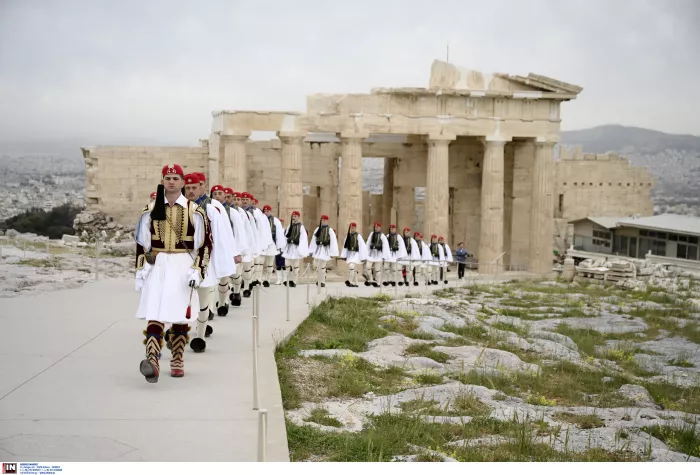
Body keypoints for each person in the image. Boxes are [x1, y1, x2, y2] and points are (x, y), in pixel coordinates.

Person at [135, 164, 212, 382]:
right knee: (155, 311)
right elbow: (142, 242)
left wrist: (198, 269)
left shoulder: (193, 211)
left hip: (181, 264)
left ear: (182, 182)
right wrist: (141, 269)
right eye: (167, 177)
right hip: (158, 264)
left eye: (175, 178)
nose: (171, 181)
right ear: (162, 181)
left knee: (180, 313)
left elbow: (205, 244)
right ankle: (152, 359)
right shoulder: (150, 209)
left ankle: (177, 356)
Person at [210, 184, 243, 316]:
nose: (217, 196)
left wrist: (237, 251)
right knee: (210, 280)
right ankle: (209, 309)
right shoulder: (208, 208)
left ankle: (223, 303)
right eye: (215, 194)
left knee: (224, 279)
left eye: (220, 193)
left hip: (226, 249)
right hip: (211, 248)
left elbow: (238, 232)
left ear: (224, 195)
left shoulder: (232, 213)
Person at [229, 191, 256, 302]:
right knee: (233, 271)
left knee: (243, 269)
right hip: (231, 245)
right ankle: (234, 291)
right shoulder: (228, 212)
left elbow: (250, 231)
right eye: (234, 199)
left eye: (238, 199)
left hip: (242, 245)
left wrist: (249, 246)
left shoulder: (245, 214)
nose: (237, 201)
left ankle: (244, 289)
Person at [308, 214, 339, 287]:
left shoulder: (330, 230)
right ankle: (319, 279)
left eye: (324, 220)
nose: (323, 221)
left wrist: (332, 252)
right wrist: (311, 250)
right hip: (318, 249)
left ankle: (322, 281)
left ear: (327, 221)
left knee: (322, 266)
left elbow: (333, 242)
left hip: (325, 249)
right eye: (322, 220)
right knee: (316, 265)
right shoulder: (317, 229)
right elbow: (313, 240)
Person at [281, 210, 308, 287]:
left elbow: (303, 238)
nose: (294, 218)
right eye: (293, 216)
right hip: (289, 248)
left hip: (296, 248)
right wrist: (287, 240)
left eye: (295, 216)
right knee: (287, 264)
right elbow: (286, 235)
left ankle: (294, 281)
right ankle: (285, 280)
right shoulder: (290, 225)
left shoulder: (301, 227)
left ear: (298, 217)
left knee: (295, 265)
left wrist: (298, 242)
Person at [261, 205, 286, 287]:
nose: (266, 212)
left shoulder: (275, 220)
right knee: (260, 263)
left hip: (272, 244)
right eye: (265, 211)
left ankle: (267, 279)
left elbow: (279, 233)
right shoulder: (261, 219)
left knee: (270, 263)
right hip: (262, 244)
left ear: (270, 211)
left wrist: (279, 245)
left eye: (267, 211)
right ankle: (259, 279)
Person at [339, 222, 367, 287]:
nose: (352, 229)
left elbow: (362, 246)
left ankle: (350, 281)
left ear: (355, 228)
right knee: (354, 268)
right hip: (350, 253)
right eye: (351, 228)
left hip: (356, 253)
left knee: (351, 266)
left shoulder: (358, 235)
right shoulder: (348, 236)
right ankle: (356, 283)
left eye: (353, 228)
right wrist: (344, 255)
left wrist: (363, 257)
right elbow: (345, 246)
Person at [365, 222, 389, 287]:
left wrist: (384, 256)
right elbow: (368, 243)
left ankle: (378, 282)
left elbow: (385, 246)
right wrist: (366, 253)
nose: (376, 228)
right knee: (367, 267)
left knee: (377, 270)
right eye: (375, 227)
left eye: (377, 227)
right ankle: (371, 280)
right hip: (372, 254)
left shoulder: (382, 236)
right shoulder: (371, 234)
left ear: (380, 228)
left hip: (379, 255)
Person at [275, 219, 286, 284]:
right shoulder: (276, 231)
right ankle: (279, 279)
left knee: (283, 265)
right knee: (278, 265)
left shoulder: (285, 231)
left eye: (282, 223)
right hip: (277, 249)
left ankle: (284, 279)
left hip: (283, 250)